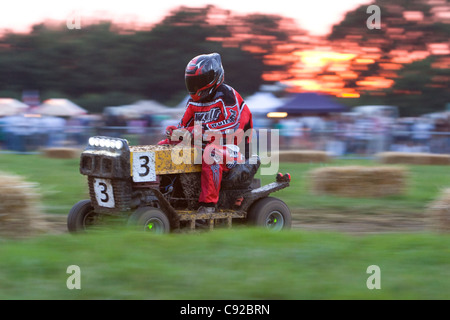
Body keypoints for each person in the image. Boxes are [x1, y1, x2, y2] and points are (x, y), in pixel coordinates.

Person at [159, 53, 253, 214]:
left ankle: (208, 205)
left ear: (212, 78)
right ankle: (162, 191)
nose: (194, 86)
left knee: (211, 153)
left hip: (235, 150)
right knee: (164, 145)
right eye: (191, 82)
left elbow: (231, 126)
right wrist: (174, 132)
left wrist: (198, 131)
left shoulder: (228, 95)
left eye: (198, 82)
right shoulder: (193, 101)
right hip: (205, 143)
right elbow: (184, 126)